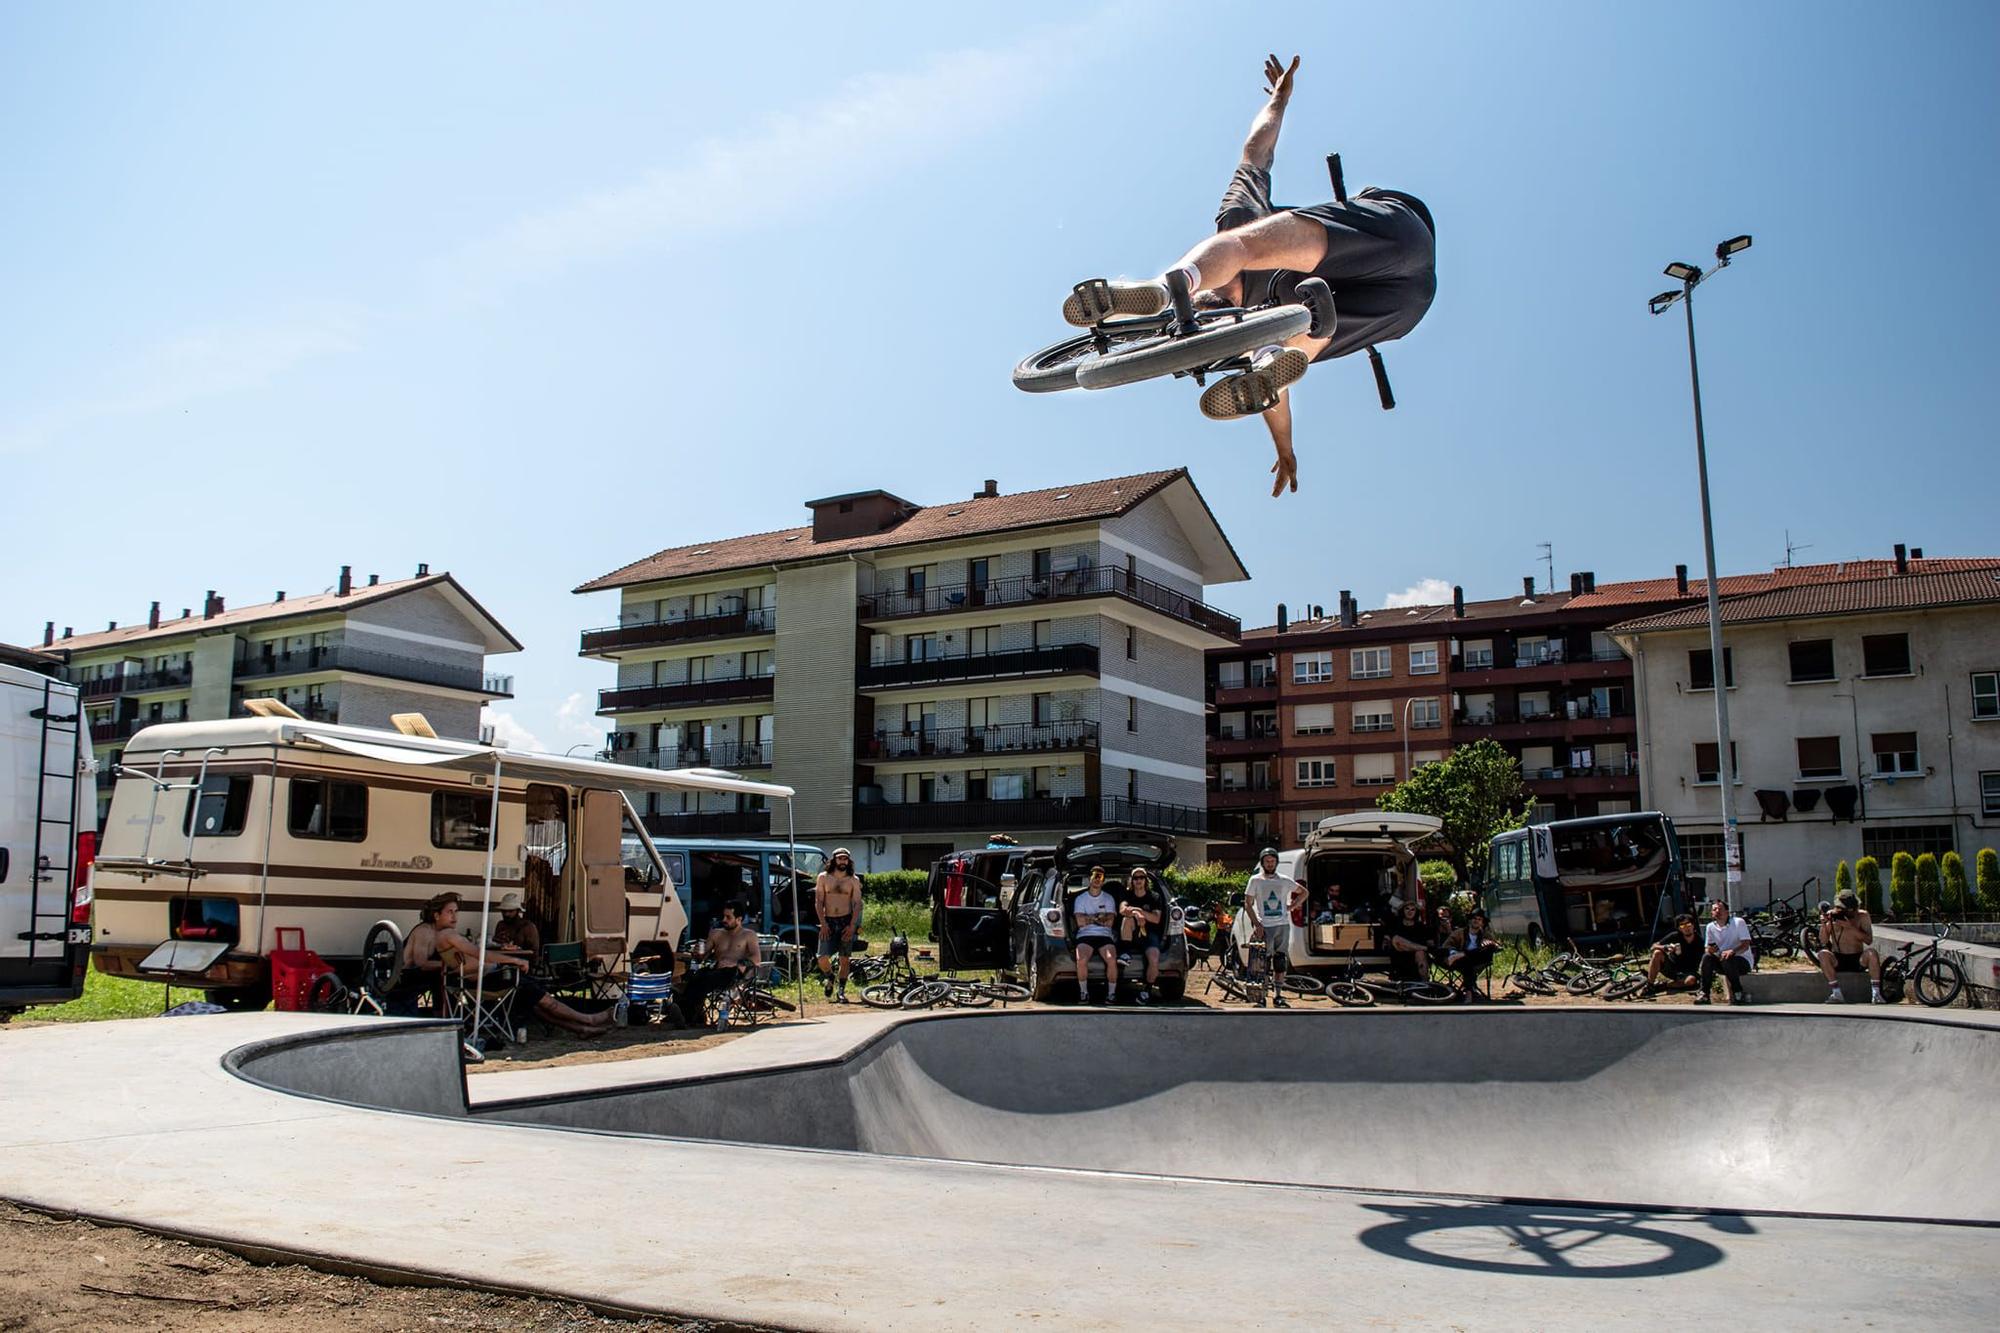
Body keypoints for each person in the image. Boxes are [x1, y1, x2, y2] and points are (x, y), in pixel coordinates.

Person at [1059, 54, 1435, 498]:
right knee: (1292, 323)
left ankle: (1164, 291)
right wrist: (1279, 101)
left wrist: (1279, 100)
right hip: (1406, 301)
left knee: (1262, 272)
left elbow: (1258, 151)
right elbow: (1259, 149)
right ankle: (1165, 288)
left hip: (1398, 235)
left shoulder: (1242, 222)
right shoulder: (1248, 273)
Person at [432, 897, 617, 1039]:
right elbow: (482, 955)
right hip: (489, 979)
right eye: (450, 912)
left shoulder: (443, 936)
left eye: (455, 912)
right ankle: (588, 1020)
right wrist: (514, 961)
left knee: (534, 1002)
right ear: (437, 915)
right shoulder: (448, 935)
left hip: (483, 978)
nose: (454, 917)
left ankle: (581, 1028)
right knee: (543, 999)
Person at [675, 901, 764, 1028]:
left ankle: (690, 1016)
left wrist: (738, 963)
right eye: (724, 916)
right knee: (694, 978)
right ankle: (690, 1015)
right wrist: (697, 953)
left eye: (728, 917)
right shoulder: (716, 933)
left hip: (733, 973)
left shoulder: (748, 935)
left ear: (739, 919)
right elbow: (702, 957)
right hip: (716, 969)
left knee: (706, 980)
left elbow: (756, 958)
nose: (724, 920)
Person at [1243, 848, 1305, 1007]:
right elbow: (1248, 904)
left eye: (1272, 861)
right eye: (1267, 861)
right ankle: (1262, 995)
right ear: (1262, 862)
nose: (1270, 864)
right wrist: (1256, 924)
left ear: (1276, 862)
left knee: (1280, 961)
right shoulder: (1255, 880)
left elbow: (1304, 892)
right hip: (1265, 926)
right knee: (1263, 962)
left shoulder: (1284, 880)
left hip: (1282, 925)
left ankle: (1278, 995)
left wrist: (1293, 906)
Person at [1815, 889, 1885, 1003]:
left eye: (1853, 909)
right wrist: (1824, 924)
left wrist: (1850, 927)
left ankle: (1876, 993)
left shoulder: (1863, 916)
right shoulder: (1833, 916)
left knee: (1872, 953)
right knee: (1823, 954)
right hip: (1838, 958)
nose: (1851, 912)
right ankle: (1836, 993)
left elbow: (1868, 940)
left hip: (1857, 958)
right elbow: (1823, 940)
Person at [815, 847, 864, 1002]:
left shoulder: (853, 880)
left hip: (845, 920)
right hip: (828, 920)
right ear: (834, 859)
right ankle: (830, 976)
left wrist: (852, 925)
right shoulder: (823, 877)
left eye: (845, 859)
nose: (842, 861)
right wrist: (823, 923)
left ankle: (841, 991)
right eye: (840, 858)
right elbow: (819, 901)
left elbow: (857, 904)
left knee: (845, 958)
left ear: (848, 861)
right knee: (822, 957)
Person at [1071, 867, 1121, 1005]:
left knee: (1111, 959)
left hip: (1105, 936)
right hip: (1085, 935)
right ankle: (1084, 992)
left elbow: (1110, 922)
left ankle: (1111, 993)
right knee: (1081, 959)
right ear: (1089, 879)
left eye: (1100, 877)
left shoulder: (1108, 898)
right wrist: (1099, 918)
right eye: (1095, 876)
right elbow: (1080, 922)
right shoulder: (1080, 899)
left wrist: (1090, 918)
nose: (1097, 880)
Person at [1118, 867, 1167, 1005]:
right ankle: (1125, 953)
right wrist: (1136, 914)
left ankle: (1147, 989)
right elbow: (1122, 910)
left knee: (1154, 957)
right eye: (1135, 878)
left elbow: (1156, 919)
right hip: (1132, 933)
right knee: (1127, 919)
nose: (1138, 881)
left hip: (1150, 934)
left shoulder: (1155, 897)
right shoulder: (1127, 895)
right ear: (1131, 881)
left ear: (1146, 881)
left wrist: (1138, 911)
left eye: (1141, 878)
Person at [1698, 899, 1755, 1006]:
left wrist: (1732, 951)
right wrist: (1710, 950)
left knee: (1727, 958)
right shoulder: (1710, 927)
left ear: (1727, 912)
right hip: (1722, 961)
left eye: (1720, 909)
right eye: (1715, 909)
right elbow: (1708, 947)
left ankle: (1738, 992)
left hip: (1741, 961)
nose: (1717, 912)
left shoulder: (1738, 922)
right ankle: (1704, 993)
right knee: (1707, 957)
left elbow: (1745, 944)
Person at [1442, 908, 1497, 1001]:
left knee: (1489, 948)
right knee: (1467, 962)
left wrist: (1490, 944)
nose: (1476, 921)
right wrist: (1454, 952)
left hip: (1478, 960)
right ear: (1470, 920)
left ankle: (1463, 954)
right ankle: (1469, 992)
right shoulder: (1459, 933)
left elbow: (1496, 946)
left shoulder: (1485, 934)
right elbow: (1445, 946)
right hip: (1463, 962)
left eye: (1479, 919)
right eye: (1474, 918)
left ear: (1482, 923)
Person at [1643, 913, 1705, 996]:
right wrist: (1666, 947)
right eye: (1682, 926)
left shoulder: (1699, 940)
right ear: (1679, 928)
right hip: (1672, 967)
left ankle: (1663, 985)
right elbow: (1653, 946)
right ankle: (1650, 985)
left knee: (1691, 981)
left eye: (1688, 924)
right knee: (1657, 952)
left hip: (1689, 971)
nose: (1686, 928)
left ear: (1693, 925)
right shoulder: (1675, 936)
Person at [491, 892, 541, 957]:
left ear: (518, 911)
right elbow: (495, 946)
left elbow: (534, 952)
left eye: (510, 911)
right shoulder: (501, 925)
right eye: (504, 911)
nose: (506, 914)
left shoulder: (528, 927)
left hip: (522, 963)